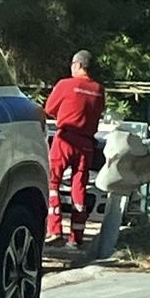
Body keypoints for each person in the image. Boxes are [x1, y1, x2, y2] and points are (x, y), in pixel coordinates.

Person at [44, 50, 105, 247]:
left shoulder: (66, 85)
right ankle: (76, 237)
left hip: (65, 139)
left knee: (52, 183)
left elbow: (49, 110)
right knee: (79, 188)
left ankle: (55, 230)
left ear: (77, 65)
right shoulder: (98, 89)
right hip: (86, 144)